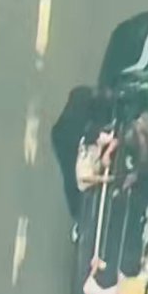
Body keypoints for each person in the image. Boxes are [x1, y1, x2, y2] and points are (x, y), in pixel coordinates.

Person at [51, 86, 96, 223]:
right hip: (67, 138)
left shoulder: (84, 96)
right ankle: (78, 215)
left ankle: (78, 213)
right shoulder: (70, 133)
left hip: (69, 132)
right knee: (72, 175)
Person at [76, 129, 118, 193]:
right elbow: (85, 177)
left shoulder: (98, 142)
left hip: (100, 171)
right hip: (90, 190)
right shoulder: (85, 158)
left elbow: (115, 140)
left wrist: (107, 153)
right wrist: (104, 179)